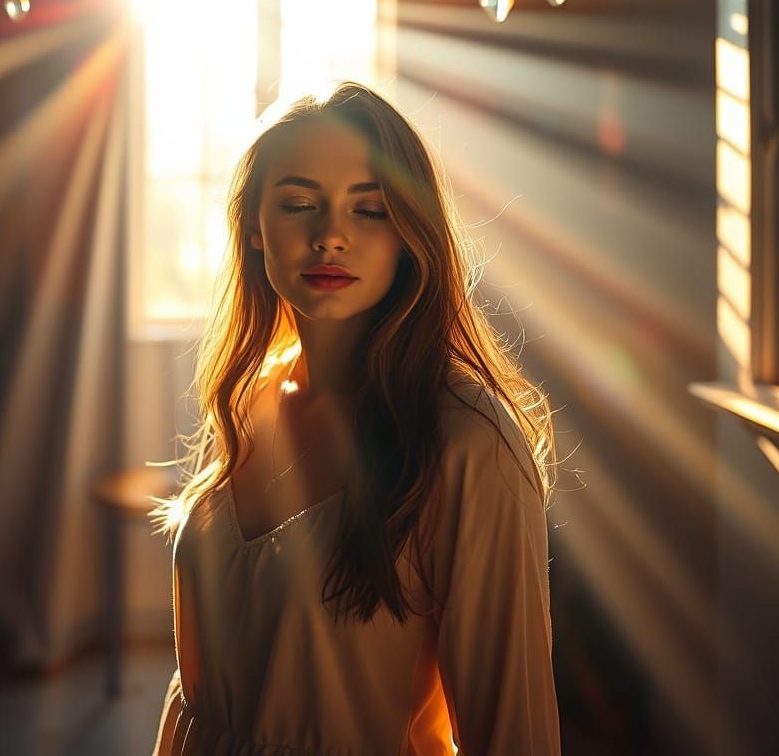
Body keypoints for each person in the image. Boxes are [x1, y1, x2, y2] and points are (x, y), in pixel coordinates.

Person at [151, 82, 561, 755]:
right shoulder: (248, 400)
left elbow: (514, 734)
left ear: (409, 233)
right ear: (255, 227)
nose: (331, 235)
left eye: (369, 210)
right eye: (299, 204)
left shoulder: (466, 443)